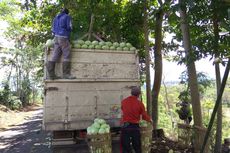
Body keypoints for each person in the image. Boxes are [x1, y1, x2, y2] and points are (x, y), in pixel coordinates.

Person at [120, 86, 152, 153]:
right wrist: (150, 120)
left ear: (131, 93)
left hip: (125, 126)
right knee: (137, 145)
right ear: (138, 95)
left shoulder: (123, 102)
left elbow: (123, 111)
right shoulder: (140, 104)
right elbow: (144, 116)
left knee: (126, 146)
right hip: (135, 127)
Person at [47, 8, 75, 80]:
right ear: (67, 12)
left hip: (56, 37)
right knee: (67, 54)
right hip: (63, 37)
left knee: (55, 55)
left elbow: (53, 29)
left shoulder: (56, 17)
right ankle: (66, 74)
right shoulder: (67, 17)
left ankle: (51, 75)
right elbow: (69, 27)